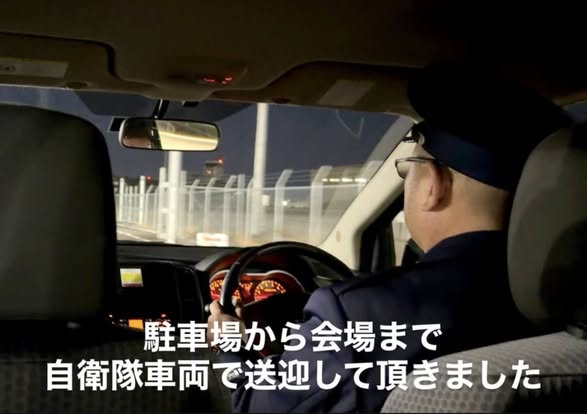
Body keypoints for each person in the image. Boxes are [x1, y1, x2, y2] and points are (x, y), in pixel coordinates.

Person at [206, 64, 572, 412]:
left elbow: (254, 406)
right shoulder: (568, 303)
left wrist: (231, 345)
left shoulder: (356, 315)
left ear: (434, 185)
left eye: (409, 169)